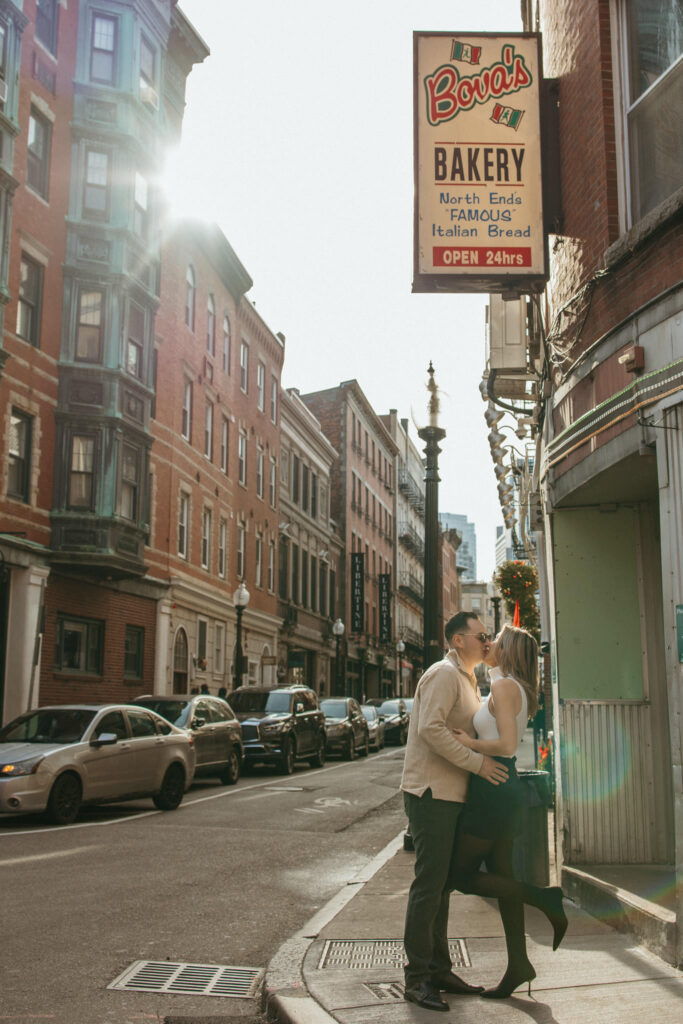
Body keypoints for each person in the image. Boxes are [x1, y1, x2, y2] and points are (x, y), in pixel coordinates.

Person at [449, 624, 568, 999]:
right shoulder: (510, 686)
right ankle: (518, 963)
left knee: (460, 875)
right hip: (502, 785)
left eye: (495, 641)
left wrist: (468, 742)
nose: (488, 644)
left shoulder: (504, 687)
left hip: (494, 787)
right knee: (503, 876)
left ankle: (545, 898)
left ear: (510, 650)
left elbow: (505, 743)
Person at [401, 611, 509, 1013]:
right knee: (430, 884)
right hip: (431, 793)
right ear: (458, 640)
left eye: (489, 635)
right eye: (481, 635)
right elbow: (431, 729)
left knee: (443, 885)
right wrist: (478, 764)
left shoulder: (467, 679)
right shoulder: (442, 675)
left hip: (452, 793)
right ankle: (416, 979)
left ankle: (439, 969)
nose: (487, 640)